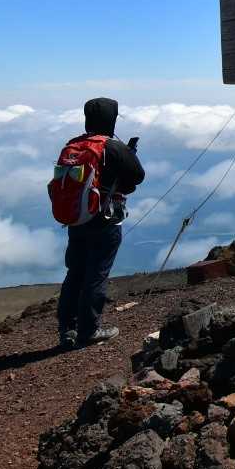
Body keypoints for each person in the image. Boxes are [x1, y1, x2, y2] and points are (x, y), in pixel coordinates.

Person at [56, 97, 145, 349]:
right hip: (105, 220)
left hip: (77, 218)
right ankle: (89, 331)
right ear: (111, 119)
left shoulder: (73, 145)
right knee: (97, 274)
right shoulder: (113, 147)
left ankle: (68, 330)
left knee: (75, 272)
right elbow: (138, 176)